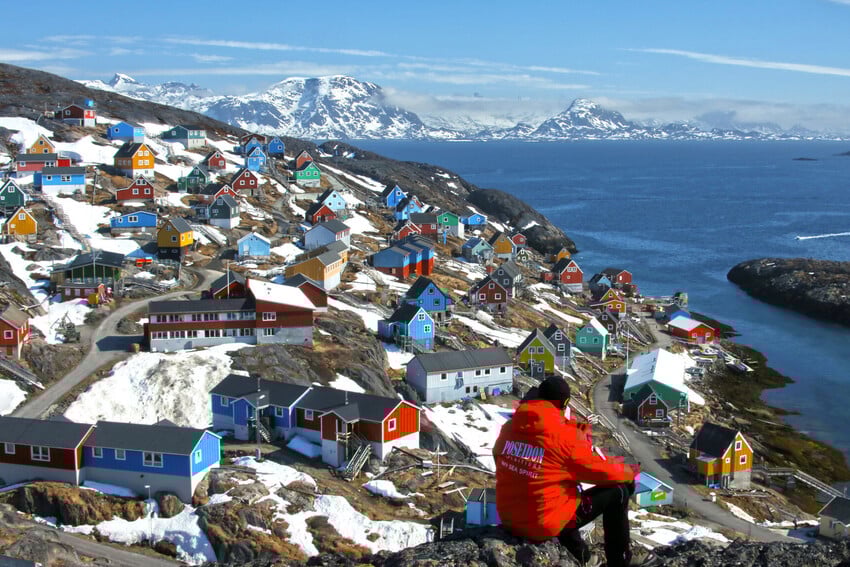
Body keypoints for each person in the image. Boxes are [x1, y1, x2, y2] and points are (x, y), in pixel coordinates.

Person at [494, 376, 656, 567]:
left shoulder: (509, 428)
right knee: (618, 491)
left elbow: (499, 457)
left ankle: (583, 557)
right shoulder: (563, 436)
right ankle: (619, 561)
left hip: (509, 517)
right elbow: (601, 472)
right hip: (540, 525)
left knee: (559, 491)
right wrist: (629, 472)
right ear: (564, 403)